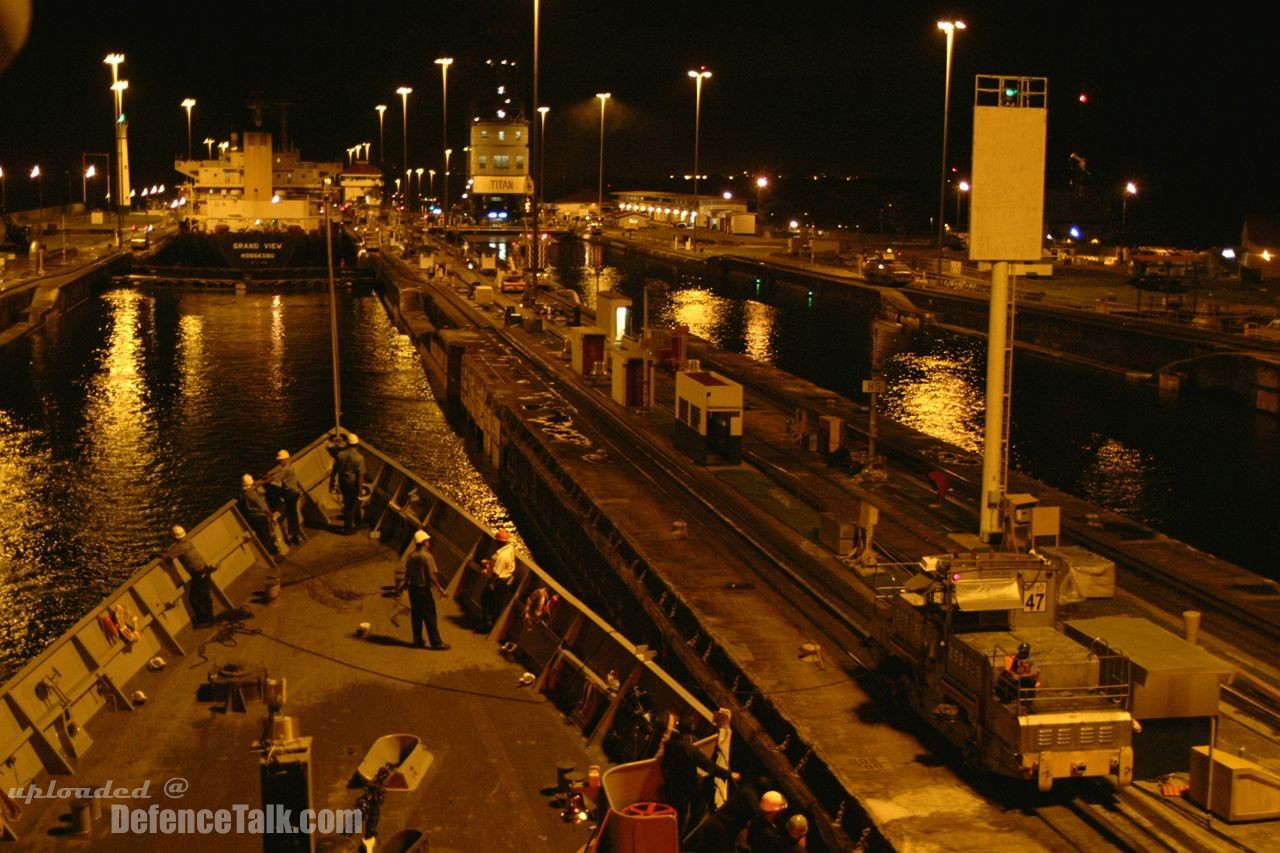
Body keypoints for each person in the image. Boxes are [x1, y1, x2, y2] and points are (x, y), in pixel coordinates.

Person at [659, 712, 740, 844]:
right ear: (691, 729)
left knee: (673, 816)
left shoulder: (669, 744)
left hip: (671, 785)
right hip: (684, 789)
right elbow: (710, 767)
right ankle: (678, 843)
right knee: (684, 817)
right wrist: (730, 774)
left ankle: (670, 839)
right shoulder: (689, 749)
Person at [397, 530, 450, 650]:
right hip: (423, 590)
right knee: (430, 616)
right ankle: (436, 643)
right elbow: (431, 575)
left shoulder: (411, 556)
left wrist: (405, 584)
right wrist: (441, 589)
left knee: (416, 616)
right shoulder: (427, 556)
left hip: (413, 589)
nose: (429, 542)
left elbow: (408, 573)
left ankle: (417, 640)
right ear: (425, 542)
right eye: (428, 541)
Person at [165, 525, 216, 627]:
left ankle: (203, 621)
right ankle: (210, 618)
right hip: (205, 569)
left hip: (198, 574)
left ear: (174, 537)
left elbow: (167, 555)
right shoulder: (188, 541)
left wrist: (156, 554)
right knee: (205, 595)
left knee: (194, 599)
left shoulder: (180, 547)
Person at [239, 474, 283, 562]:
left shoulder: (242, 494)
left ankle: (269, 554)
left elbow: (256, 484)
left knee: (262, 536)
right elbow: (264, 507)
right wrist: (272, 516)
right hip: (260, 517)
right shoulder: (252, 495)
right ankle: (275, 554)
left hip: (252, 518)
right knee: (267, 536)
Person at [329, 432, 367, 534]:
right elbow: (360, 476)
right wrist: (360, 489)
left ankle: (358, 521)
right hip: (352, 484)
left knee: (349, 502)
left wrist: (331, 483)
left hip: (343, 483)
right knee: (350, 506)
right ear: (357, 444)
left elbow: (334, 471)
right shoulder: (359, 458)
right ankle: (348, 528)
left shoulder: (340, 455)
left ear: (347, 443)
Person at [480, 528, 516, 632]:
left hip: (498, 582)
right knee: (496, 603)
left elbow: (496, 573)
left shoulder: (502, 556)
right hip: (505, 581)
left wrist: (491, 582)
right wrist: (491, 564)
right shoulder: (509, 549)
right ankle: (488, 623)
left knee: (485, 599)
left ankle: (487, 624)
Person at [269, 449, 305, 545]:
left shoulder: (286, 469)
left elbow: (275, 479)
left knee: (292, 515)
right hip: (294, 493)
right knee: (292, 514)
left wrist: (262, 482)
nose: (280, 462)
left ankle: (295, 535)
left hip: (290, 494)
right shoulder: (290, 467)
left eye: (281, 460)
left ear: (286, 459)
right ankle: (295, 535)